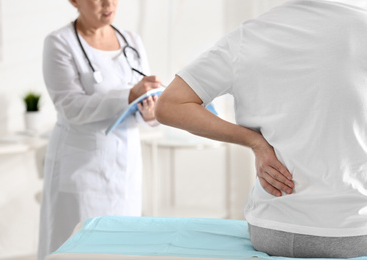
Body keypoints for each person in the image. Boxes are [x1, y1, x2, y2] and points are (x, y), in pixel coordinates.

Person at [155, 0, 367, 258]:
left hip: (274, 230)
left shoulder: (249, 36)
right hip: (356, 231)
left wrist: (255, 142)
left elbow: (169, 105)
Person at [37, 0, 161, 259]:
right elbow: (70, 107)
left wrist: (151, 113)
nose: (108, 4)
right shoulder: (60, 42)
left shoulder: (132, 41)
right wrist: (128, 95)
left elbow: (145, 103)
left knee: (122, 247)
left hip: (125, 167)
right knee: (76, 247)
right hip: (82, 169)